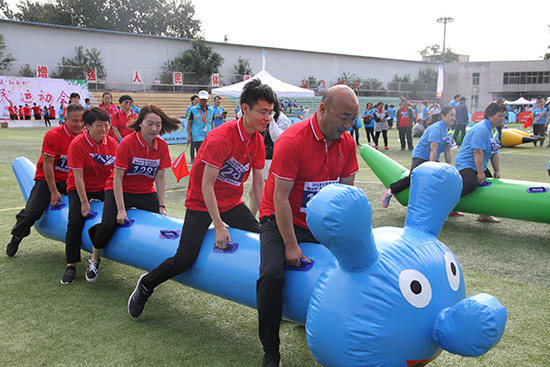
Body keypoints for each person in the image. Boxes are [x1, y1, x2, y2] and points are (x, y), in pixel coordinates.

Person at [127, 79, 276, 319]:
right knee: (184, 260)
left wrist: (265, 218)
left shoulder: (258, 140)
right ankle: (146, 285)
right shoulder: (221, 138)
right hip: (202, 201)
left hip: (231, 202)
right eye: (263, 112)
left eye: (270, 112)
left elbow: (258, 184)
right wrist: (218, 226)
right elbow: (206, 185)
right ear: (245, 109)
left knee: (263, 238)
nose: (267, 118)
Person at [256, 84, 359, 367]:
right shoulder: (292, 140)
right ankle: (271, 350)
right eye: (344, 117)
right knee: (271, 275)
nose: (348, 125)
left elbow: (346, 196)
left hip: (319, 223)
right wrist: (291, 244)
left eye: (353, 118)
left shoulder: (347, 143)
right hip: (278, 219)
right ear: (322, 109)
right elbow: (280, 198)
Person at [87, 105, 180, 281]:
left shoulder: (162, 146)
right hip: (120, 189)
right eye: (150, 124)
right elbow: (117, 178)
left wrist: (161, 206)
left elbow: (160, 177)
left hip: (145, 192)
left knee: (159, 227)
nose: (154, 129)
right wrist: (121, 209)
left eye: (158, 125)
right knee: (108, 226)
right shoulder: (127, 143)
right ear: (140, 124)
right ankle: (94, 259)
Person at [6, 104, 85, 257]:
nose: (79, 124)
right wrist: (53, 191)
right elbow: (48, 165)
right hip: (49, 179)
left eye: (82, 120)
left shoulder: (85, 137)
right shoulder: (54, 135)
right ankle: (17, 236)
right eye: (75, 120)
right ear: (65, 119)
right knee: (32, 212)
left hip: (72, 180)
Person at [61, 107, 118, 284]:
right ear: (87, 127)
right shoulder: (77, 144)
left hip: (103, 186)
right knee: (76, 220)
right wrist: (85, 202)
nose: (104, 129)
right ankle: (71, 265)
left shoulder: (112, 143)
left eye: (106, 125)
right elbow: (77, 177)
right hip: (80, 187)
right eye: (99, 125)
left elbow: (114, 172)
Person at [382, 106, 456, 208]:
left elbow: (447, 151)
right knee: (414, 177)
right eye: (451, 115)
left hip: (432, 157)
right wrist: (431, 168)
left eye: (454, 116)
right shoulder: (436, 129)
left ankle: (447, 207)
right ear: (443, 116)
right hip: (421, 156)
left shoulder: (449, 130)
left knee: (443, 178)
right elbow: (433, 149)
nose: (453, 118)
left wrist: (449, 168)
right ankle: (390, 192)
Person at [454, 102, 506, 223]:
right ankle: (445, 206)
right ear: (490, 115)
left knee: (491, 186)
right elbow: (478, 152)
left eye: (504, 116)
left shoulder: (495, 131)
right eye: (499, 115)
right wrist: (480, 173)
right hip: (466, 164)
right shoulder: (481, 129)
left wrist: (497, 171)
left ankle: (484, 213)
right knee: (471, 183)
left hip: (479, 164)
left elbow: (494, 153)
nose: (502, 118)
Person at [187, 90, 214, 163]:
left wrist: (213, 133)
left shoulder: (211, 110)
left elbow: (212, 122)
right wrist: (189, 136)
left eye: (204, 99)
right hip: (197, 137)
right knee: (200, 156)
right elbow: (189, 123)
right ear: (198, 99)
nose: (203, 101)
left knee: (208, 156)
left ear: (207, 99)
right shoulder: (192, 110)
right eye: (201, 99)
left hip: (208, 136)